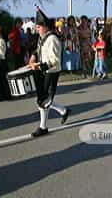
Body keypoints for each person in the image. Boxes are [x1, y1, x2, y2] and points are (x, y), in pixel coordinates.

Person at [29, 7, 71, 137]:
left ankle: (43, 127)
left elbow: (54, 60)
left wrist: (39, 66)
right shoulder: (42, 37)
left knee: (44, 99)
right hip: (42, 70)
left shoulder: (52, 39)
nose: (37, 28)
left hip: (51, 72)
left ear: (46, 27)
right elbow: (38, 51)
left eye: (39, 26)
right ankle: (64, 111)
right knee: (43, 99)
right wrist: (33, 57)